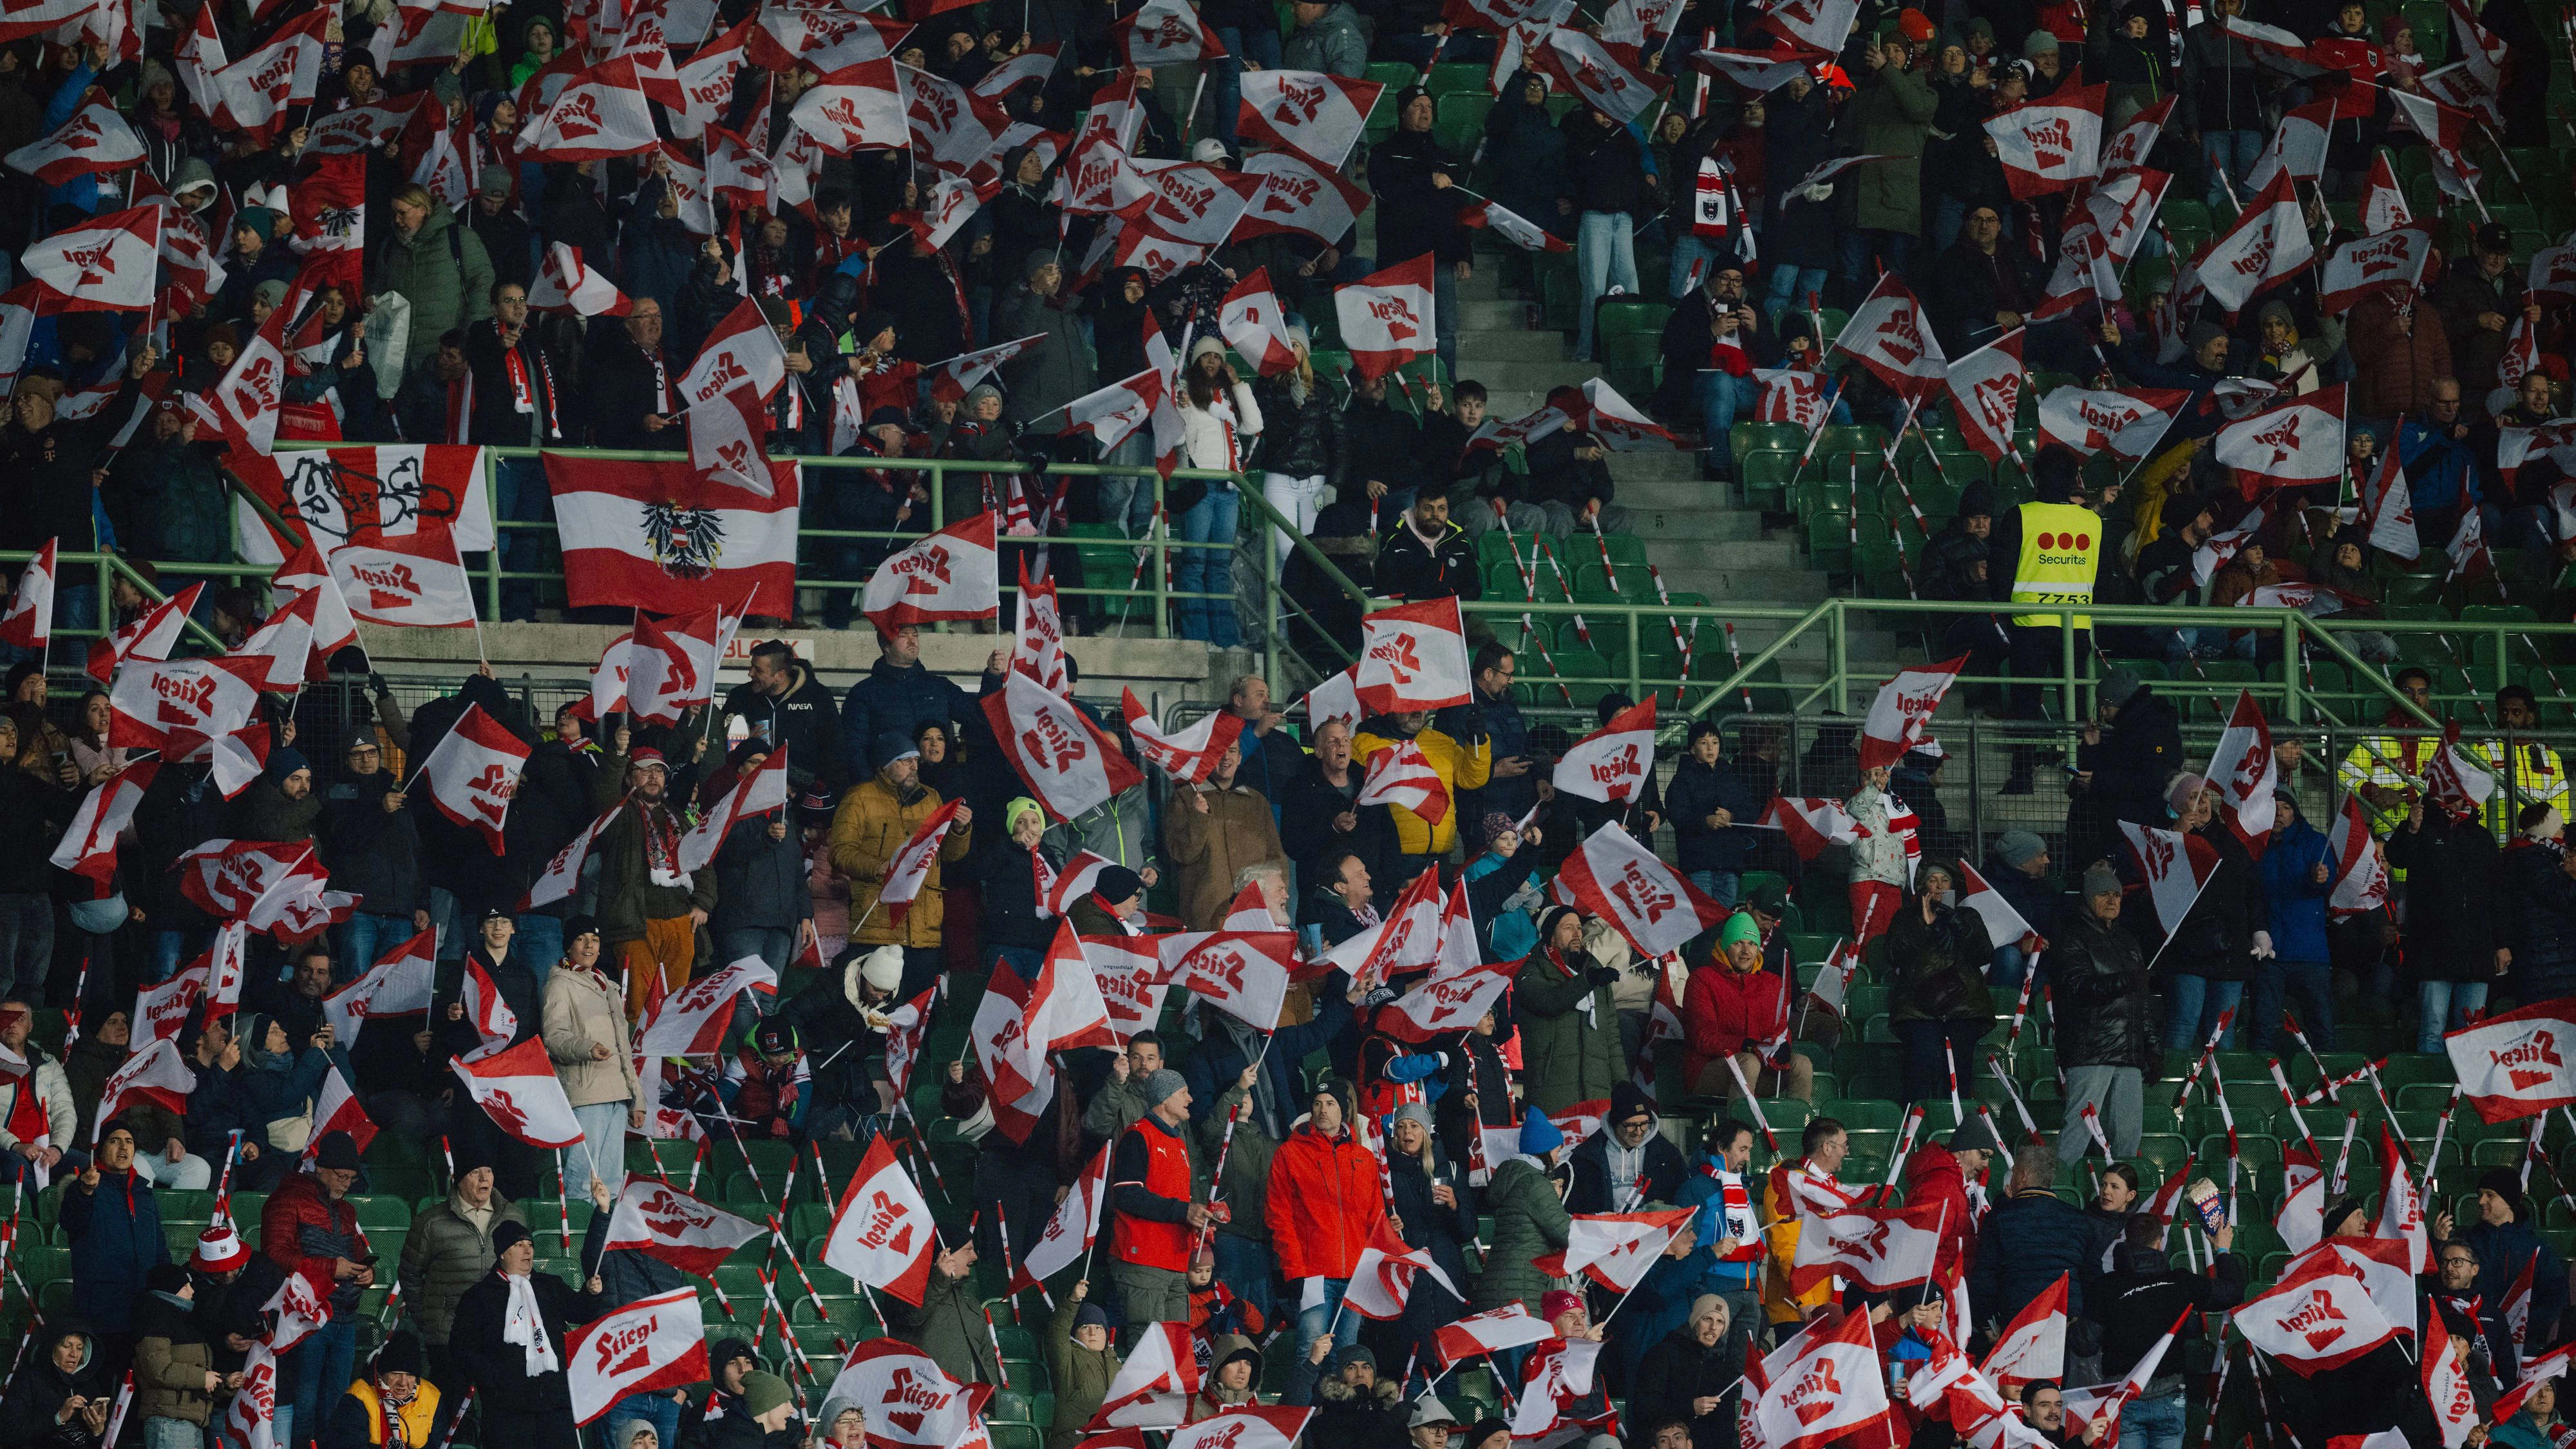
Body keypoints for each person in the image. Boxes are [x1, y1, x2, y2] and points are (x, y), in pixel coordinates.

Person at [1269, 1077, 1388, 1403]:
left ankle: (1339, 1429)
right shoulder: (1290, 1154)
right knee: (1310, 1355)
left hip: (1355, 1277)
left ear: (1344, 1110)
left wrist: (1372, 1268)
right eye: (1318, 1103)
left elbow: (1375, 1219)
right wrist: (1295, 1270)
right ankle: (1301, 1430)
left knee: (1345, 1362)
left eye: (1331, 1103)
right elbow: (1279, 1218)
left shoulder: (1364, 1158)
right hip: (1313, 1274)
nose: (1323, 1110)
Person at [831, 732, 974, 1003]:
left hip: (925, 931)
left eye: (916, 761)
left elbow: (949, 856)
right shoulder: (859, 798)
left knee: (920, 1013)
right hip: (877, 926)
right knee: (875, 1014)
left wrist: (959, 829)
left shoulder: (932, 798)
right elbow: (840, 853)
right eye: (906, 761)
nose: (915, 766)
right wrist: (880, 867)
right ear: (885, 764)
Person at [447, 1220, 606, 1447]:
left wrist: (591, 1294)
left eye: (530, 1244)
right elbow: (461, 1348)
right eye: (519, 1245)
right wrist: (496, 1380)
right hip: (507, 1411)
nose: (528, 1250)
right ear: (502, 1253)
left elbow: (581, 1312)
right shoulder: (479, 1297)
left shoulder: (550, 1285)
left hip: (555, 1404)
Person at [2098, 1213, 2246, 1449]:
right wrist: (2223, 1251)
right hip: (2169, 1394)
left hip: (2124, 1394)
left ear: (2126, 1242)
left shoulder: (2105, 1286)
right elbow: (2233, 1292)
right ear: (2160, 1243)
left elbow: (2085, 1343)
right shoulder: (2180, 1282)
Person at [595, 746, 718, 1019]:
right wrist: (617, 755)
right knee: (636, 1009)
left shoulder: (678, 817)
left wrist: (703, 903)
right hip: (636, 924)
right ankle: (638, 1063)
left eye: (659, 772)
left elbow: (703, 862)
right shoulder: (618, 812)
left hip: (680, 923)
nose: (654, 777)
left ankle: (668, 1064)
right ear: (629, 779)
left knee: (675, 1009)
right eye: (645, 770)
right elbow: (603, 795)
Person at [267, 1132, 372, 1449]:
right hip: (305, 1321)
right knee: (304, 1406)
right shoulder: (287, 1199)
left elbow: (357, 1253)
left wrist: (367, 1271)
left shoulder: (347, 1211)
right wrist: (330, 1268)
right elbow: (275, 1257)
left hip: (344, 1318)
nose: (345, 1184)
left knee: (336, 1406)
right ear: (321, 1168)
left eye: (351, 1179)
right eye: (341, 1176)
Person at [399, 1147, 527, 1394]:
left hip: (504, 1335)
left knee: (500, 1416)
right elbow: (409, 1274)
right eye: (475, 1172)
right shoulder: (431, 1221)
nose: (484, 1179)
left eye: (488, 1171)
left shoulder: (514, 1216)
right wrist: (430, 1320)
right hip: (449, 1338)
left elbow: (525, 1270)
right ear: (457, 1180)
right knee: (451, 1413)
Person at [2387, 791, 2506, 1051]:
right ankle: (2436, 1092)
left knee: (2472, 1031)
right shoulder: (2420, 829)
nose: (2456, 801)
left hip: (2476, 952)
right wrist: (2412, 829)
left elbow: (2497, 893)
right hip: (2434, 951)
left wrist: (2502, 943)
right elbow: (2396, 857)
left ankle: (2465, 1091)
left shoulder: (2481, 836)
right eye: (2449, 794)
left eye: (2460, 795)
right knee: (2433, 1027)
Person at [2054, 866, 2154, 1156]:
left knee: (2128, 1136)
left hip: (2129, 1053)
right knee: (2078, 1131)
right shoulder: (2072, 937)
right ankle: (2057, 1192)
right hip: (2091, 1050)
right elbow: (2078, 990)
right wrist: (2126, 980)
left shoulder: (2129, 941)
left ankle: (2121, 1200)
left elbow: (2141, 1003)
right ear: (2088, 898)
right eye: (2103, 894)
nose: (2112, 901)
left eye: (2117, 895)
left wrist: (2152, 1047)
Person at [543, 916, 641, 1203]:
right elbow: (554, 1037)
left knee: (611, 1184)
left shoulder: (608, 986)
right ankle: (577, 1246)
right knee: (583, 1181)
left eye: (595, 940)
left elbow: (624, 1047)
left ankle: (600, 1246)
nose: (589, 946)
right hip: (585, 1094)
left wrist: (637, 1099)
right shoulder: (560, 984)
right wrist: (587, 1047)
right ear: (569, 946)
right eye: (581, 939)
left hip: (617, 1095)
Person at [1108, 1068, 1212, 1329]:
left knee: (1175, 1346)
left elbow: (1178, 1202)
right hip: (1143, 1260)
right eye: (1184, 1093)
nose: (1190, 1099)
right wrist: (1183, 1211)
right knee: (1147, 1346)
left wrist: (1200, 1217)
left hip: (1176, 1261)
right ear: (1164, 1099)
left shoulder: (1178, 1142)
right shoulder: (1137, 1136)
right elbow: (1127, 1194)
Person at [62, 1117, 166, 1374]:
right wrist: (85, 1191)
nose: (123, 1147)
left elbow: (160, 1248)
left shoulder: (144, 1193)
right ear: (100, 1149)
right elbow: (70, 1220)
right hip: (101, 1312)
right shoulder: (86, 1187)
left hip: (142, 1310)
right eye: (115, 1141)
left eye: (129, 1142)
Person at [1887, 861, 1993, 1106]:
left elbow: (1985, 954)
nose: (1938, 886)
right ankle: (1916, 1137)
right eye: (1932, 880)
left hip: (1963, 1008)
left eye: (1945, 881)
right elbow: (1894, 954)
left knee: (1959, 1079)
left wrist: (1957, 924)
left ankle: (1956, 1136)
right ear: (1923, 886)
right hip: (1918, 1008)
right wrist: (1925, 927)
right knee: (1919, 1077)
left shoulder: (1969, 916)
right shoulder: (1905, 917)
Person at [1681, 911, 1807, 1101]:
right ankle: (1740, 1129)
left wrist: (1783, 1047)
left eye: (1752, 944)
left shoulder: (1772, 983)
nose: (1746, 951)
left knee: (1802, 1064)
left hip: (1758, 1064)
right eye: (1738, 943)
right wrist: (1745, 1046)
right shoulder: (1702, 979)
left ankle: (1796, 1127)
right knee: (1748, 1063)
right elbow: (1703, 1037)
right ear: (1725, 946)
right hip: (1709, 1070)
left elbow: (1780, 1029)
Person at [1164, 744, 1287, 930]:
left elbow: (1275, 858)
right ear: (1208, 757)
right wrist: (1198, 817)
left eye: (1232, 751)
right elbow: (1183, 854)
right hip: (1205, 915)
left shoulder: (1257, 801)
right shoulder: (1185, 798)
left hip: (1256, 914)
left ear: (1239, 757)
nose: (1226, 758)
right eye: (1219, 751)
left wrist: (1280, 895)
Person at [1515, 907, 1623, 1113]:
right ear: (1552, 937)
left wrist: (1622, 1085)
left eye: (1580, 928)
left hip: (1597, 1096)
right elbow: (1548, 1002)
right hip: (1551, 1097)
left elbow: (1612, 1039)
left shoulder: (1595, 971)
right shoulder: (1531, 971)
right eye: (1568, 928)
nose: (1577, 934)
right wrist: (1587, 981)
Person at [1567, 1083, 1685, 1213]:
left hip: (1651, 1230)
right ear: (1615, 1123)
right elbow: (1574, 1209)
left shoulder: (1667, 1154)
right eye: (1631, 1126)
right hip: (1604, 1231)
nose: (1639, 1132)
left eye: (1645, 1124)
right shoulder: (1587, 1156)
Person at [323, 1331, 452, 1449]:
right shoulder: (358, 1398)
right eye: (396, 1374)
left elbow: (438, 1444)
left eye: (410, 1376)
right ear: (383, 1374)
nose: (403, 1383)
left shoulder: (431, 1396)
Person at [1, 1321, 111, 1448]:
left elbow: (101, 1442)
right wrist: (58, 1418)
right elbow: (9, 1432)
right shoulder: (28, 1378)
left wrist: (98, 1431)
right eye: (66, 1346)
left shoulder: (89, 1383)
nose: (74, 1354)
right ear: (51, 1347)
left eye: (80, 1348)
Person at [1044, 1282, 1119, 1449]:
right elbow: (1057, 1332)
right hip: (1074, 1440)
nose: (1093, 1333)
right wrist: (1073, 1301)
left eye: (1099, 1328)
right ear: (1075, 1333)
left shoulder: (1117, 1363)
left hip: (1112, 1440)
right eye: (1085, 1327)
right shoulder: (1067, 1357)